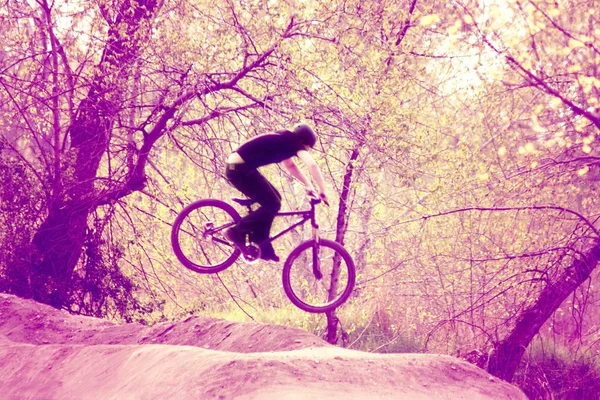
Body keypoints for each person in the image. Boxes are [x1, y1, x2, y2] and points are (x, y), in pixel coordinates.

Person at [224, 123, 329, 262]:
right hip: (238, 169)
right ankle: (237, 232)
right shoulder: (294, 143)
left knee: (276, 199)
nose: (306, 151)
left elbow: (291, 166)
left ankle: (263, 246)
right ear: (304, 142)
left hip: (238, 166)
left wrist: (310, 186)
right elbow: (312, 164)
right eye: (308, 148)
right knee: (272, 204)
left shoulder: (285, 140)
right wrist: (323, 190)